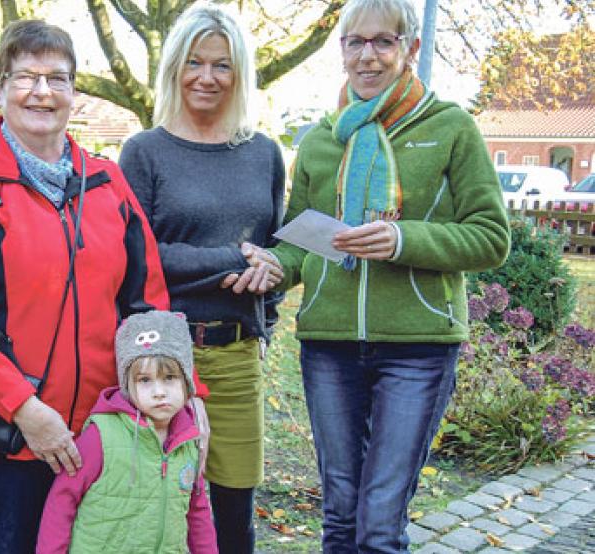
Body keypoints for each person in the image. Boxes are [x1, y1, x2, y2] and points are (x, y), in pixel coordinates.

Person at [0, 19, 193, 553]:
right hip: (9, 435)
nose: (42, 91)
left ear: (74, 92)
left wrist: (161, 394)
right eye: (26, 76)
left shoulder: (107, 181)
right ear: (1, 88)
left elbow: (147, 306)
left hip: (107, 428)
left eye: (58, 77)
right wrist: (27, 410)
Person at [264, 0, 511, 551]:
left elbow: (492, 237)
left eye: (383, 41)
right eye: (356, 42)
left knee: (379, 525)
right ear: (342, 50)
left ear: (410, 49)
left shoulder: (450, 127)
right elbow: (305, 244)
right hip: (328, 346)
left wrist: (404, 240)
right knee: (340, 518)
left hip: (417, 349)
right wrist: (269, 267)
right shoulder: (320, 139)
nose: (368, 56)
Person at [118, 4, 285, 552]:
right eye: (194, 62)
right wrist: (231, 261)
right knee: (158, 509)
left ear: (240, 74)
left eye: (222, 65)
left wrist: (268, 275)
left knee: (235, 514)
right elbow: (137, 258)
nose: (207, 77)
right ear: (174, 69)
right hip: (160, 356)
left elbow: (275, 252)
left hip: (237, 357)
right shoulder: (144, 152)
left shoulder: (262, 153)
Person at [36, 311, 217, 553]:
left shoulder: (190, 439)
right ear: (127, 386)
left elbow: (197, 510)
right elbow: (62, 502)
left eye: (170, 378)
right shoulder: (101, 436)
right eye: (144, 380)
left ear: (187, 382)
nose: (159, 391)